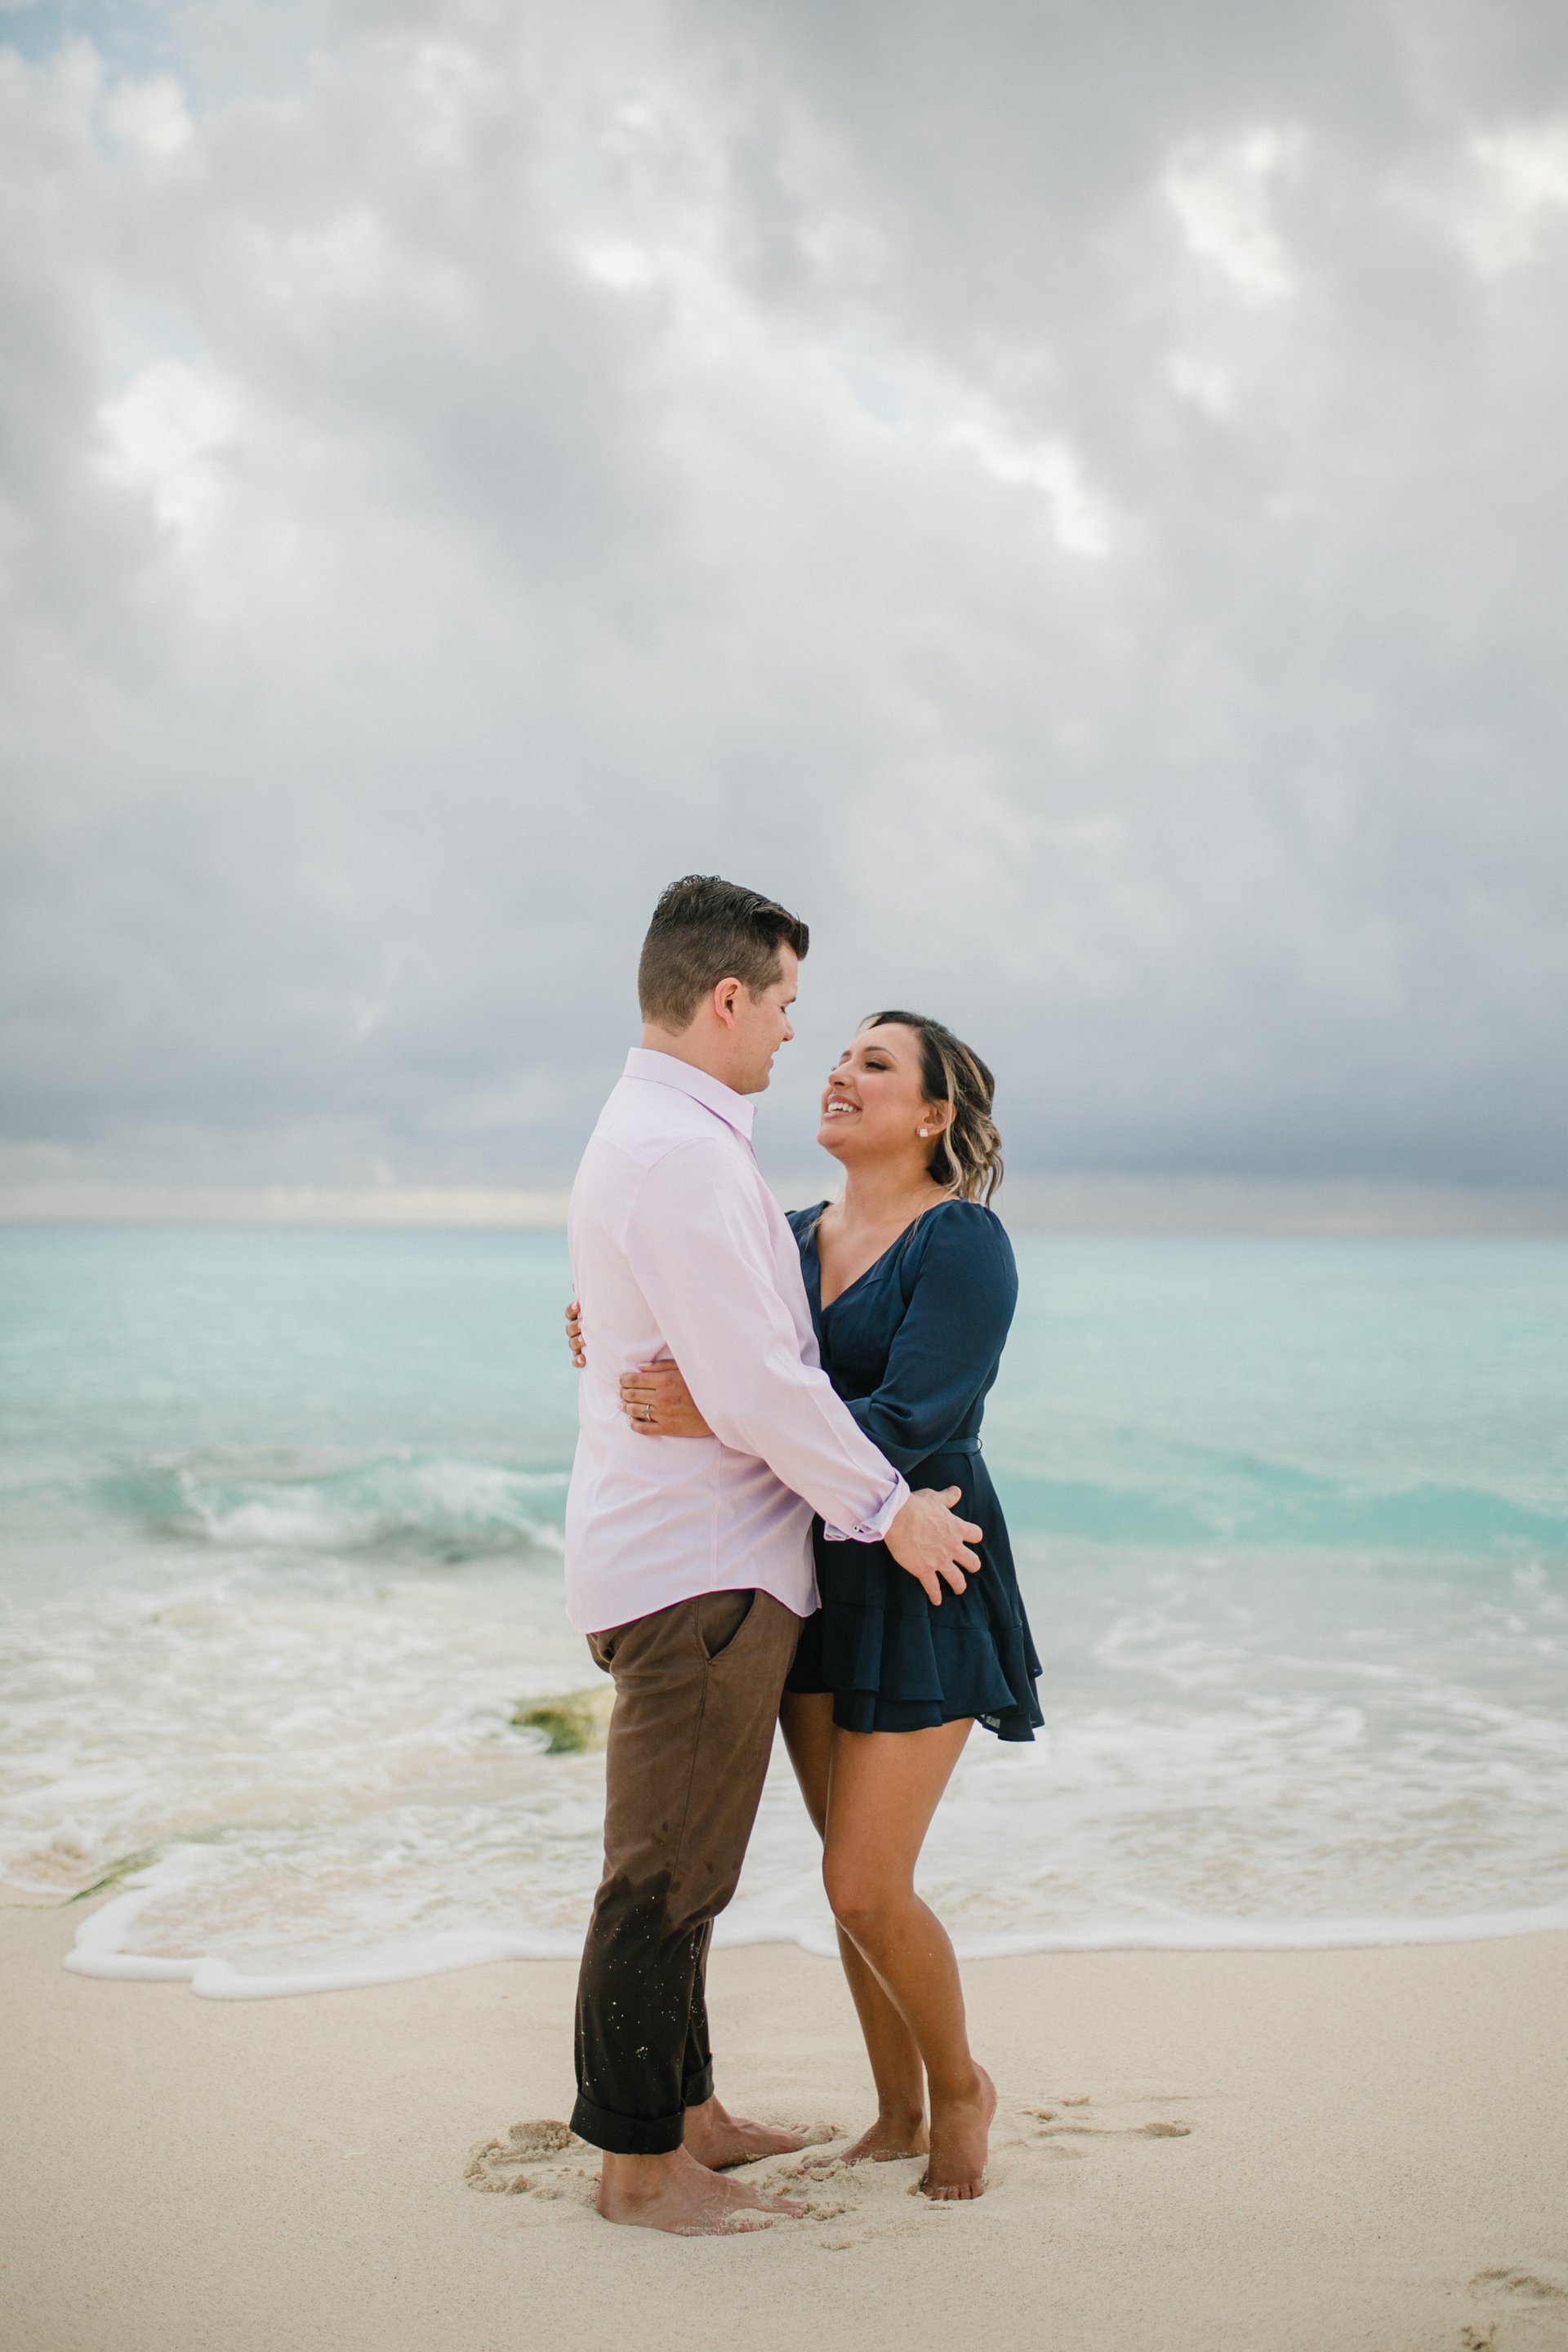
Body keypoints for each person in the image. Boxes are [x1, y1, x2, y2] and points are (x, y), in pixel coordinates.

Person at [563, 875, 985, 2238]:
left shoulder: (667, 1139)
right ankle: (642, 2170)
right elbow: (756, 1380)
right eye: (793, 1006)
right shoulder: (689, 1155)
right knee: (664, 1879)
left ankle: (687, 2116)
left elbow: (745, 1358)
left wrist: (637, 1341)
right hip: (700, 1569)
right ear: (729, 997)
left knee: (687, 1867)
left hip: (712, 1561)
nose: (800, 1038)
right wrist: (889, 1508)